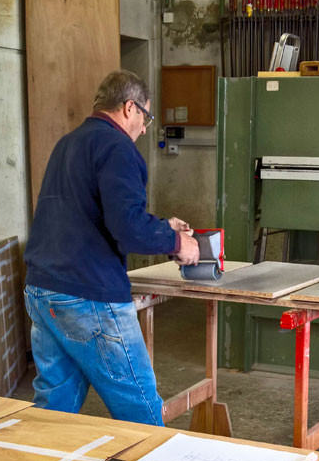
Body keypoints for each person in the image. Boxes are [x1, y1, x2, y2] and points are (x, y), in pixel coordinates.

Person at [23, 70, 200, 426]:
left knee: (53, 413)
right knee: (142, 414)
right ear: (129, 108)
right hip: (90, 298)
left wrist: (162, 228)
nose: (146, 128)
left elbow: (95, 213)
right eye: (146, 117)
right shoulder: (118, 147)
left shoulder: (68, 144)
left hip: (45, 291)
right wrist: (179, 242)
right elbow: (128, 229)